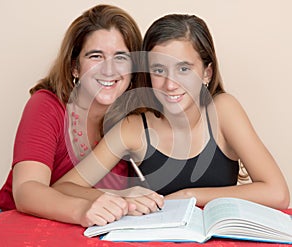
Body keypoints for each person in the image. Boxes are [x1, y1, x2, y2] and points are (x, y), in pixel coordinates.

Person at [53, 14, 290, 209]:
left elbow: (278, 193)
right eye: (159, 70)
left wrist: (188, 196)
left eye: (184, 69)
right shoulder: (134, 128)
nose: (170, 84)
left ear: (207, 72)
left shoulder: (223, 110)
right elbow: (64, 188)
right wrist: (120, 197)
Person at [0, 4, 163, 227]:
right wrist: (84, 209)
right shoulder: (47, 105)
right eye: (96, 56)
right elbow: (27, 190)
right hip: (20, 222)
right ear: (75, 67)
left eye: (121, 58)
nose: (109, 69)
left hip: (89, 227)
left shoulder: (131, 118)